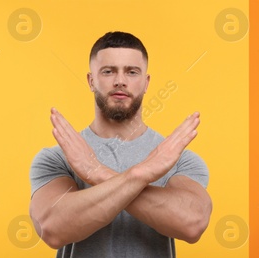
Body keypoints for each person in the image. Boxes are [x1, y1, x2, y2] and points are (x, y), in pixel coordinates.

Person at [28, 31, 213, 256]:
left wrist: (96, 172)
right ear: (91, 80)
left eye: (132, 72)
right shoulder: (57, 157)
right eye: (108, 71)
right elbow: (53, 229)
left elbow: (192, 223)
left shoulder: (177, 158)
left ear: (146, 83)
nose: (120, 81)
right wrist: (143, 174)